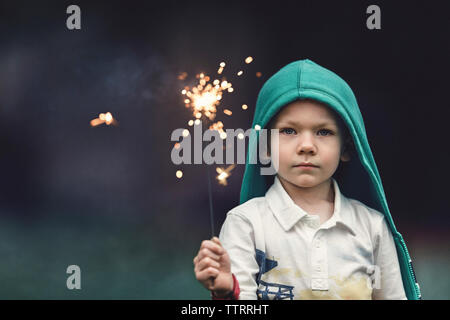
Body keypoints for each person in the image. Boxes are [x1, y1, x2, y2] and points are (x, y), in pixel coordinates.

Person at [193, 59, 421, 300]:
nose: (307, 146)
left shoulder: (371, 227)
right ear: (265, 146)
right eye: (289, 131)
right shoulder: (246, 224)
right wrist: (227, 291)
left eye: (324, 132)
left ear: (347, 147)